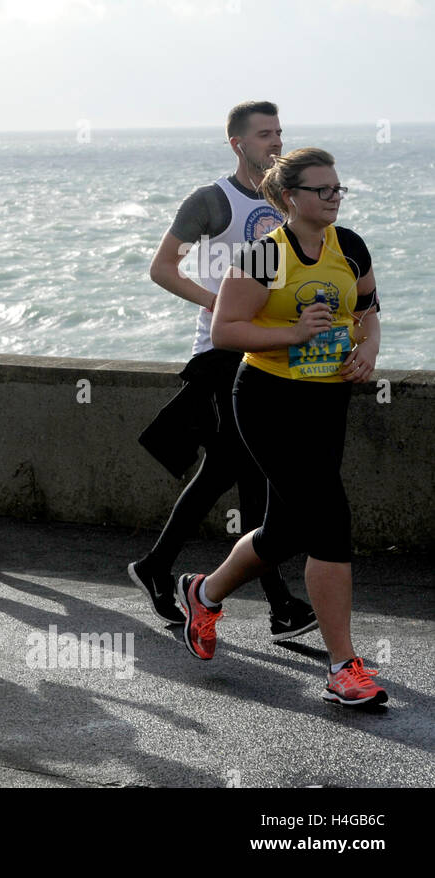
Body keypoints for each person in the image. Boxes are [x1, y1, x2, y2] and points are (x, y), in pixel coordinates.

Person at [177, 147, 384, 707]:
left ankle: (205, 591)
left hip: (328, 400)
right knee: (330, 521)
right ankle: (343, 667)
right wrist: (292, 334)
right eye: (324, 190)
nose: (335, 197)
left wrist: (368, 353)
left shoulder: (351, 246)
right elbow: (226, 330)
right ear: (292, 198)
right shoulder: (265, 256)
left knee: (286, 532)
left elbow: (367, 309)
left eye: (339, 188)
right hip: (270, 401)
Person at [133, 101, 315, 641]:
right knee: (244, 469)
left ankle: (158, 568)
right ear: (237, 142)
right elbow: (162, 267)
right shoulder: (214, 200)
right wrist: (217, 301)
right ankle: (278, 603)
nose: (276, 142)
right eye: (265, 134)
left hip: (272, 350)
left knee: (231, 472)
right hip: (222, 353)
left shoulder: (290, 202)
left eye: (280, 132)